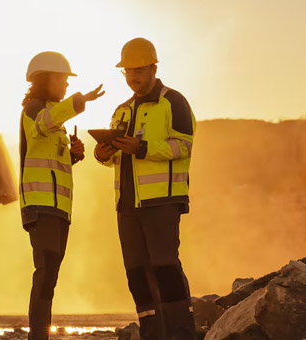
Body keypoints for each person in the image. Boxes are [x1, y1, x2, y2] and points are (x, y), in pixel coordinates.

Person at [94, 38, 196, 340]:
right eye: (128, 71)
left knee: (165, 268)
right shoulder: (122, 110)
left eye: (139, 70)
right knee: (136, 275)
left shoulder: (173, 102)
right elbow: (117, 160)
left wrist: (144, 148)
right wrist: (104, 153)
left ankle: (180, 335)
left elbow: (184, 146)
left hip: (161, 202)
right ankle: (151, 335)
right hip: (127, 206)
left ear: (154, 68)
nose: (133, 77)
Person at [20, 51, 104, 340]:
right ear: (46, 80)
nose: (67, 85)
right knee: (44, 273)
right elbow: (44, 122)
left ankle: (40, 334)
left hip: (57, 209)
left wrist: (73, 156)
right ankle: (38, 336)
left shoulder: (55, 120)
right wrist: (80, 101)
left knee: (50, 276)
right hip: (40, 206)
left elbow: (53, 162)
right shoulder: (33, 110)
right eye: (63, 79)